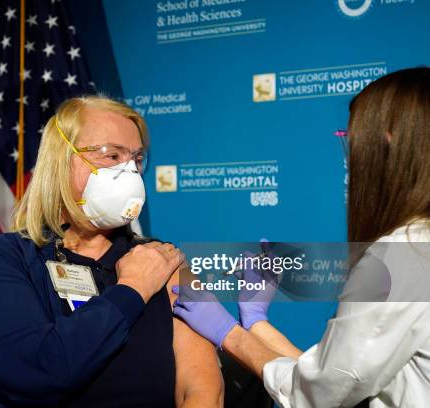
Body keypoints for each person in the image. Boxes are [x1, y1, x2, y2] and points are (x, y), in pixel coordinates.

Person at [172, 67, 430, 407]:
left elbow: (322, 394)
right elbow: (333, 377)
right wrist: (257, 323)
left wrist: (229, 333)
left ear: (388, 141)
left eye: (353, 144)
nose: (352, 163)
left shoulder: (403, 256)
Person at [0, 96, 224, 407]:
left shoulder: (164, 261)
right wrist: (133, 288)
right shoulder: (1, 259)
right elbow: (36, 369)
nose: (129, 172)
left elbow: (201, 391)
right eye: (112, 155)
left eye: (137, 160)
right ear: (61, 162)